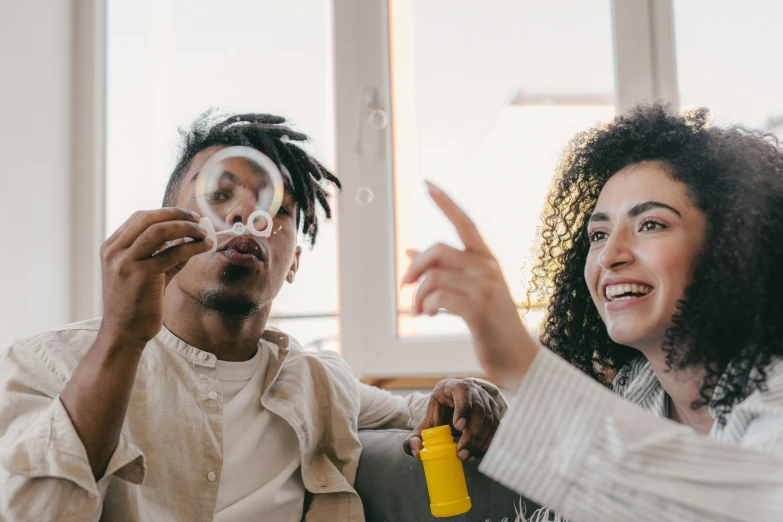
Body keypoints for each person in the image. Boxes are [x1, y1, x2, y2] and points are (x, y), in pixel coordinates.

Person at [0, 112, 506, 522]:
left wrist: (471, 390)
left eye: (276, 207)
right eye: (220, 196)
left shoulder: (320, 381)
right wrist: (121, 337)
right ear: (169, 228)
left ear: (293, 265)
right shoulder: (50, 363)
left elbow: (429, 409)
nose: (246, 214)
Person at [402, 104, 783, 521]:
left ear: (731, 248)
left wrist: (524, 365)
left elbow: (751, 503)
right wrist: (491, 406)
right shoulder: (638, 388)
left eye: (651, 224)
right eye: (598, 234)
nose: (609, 256)